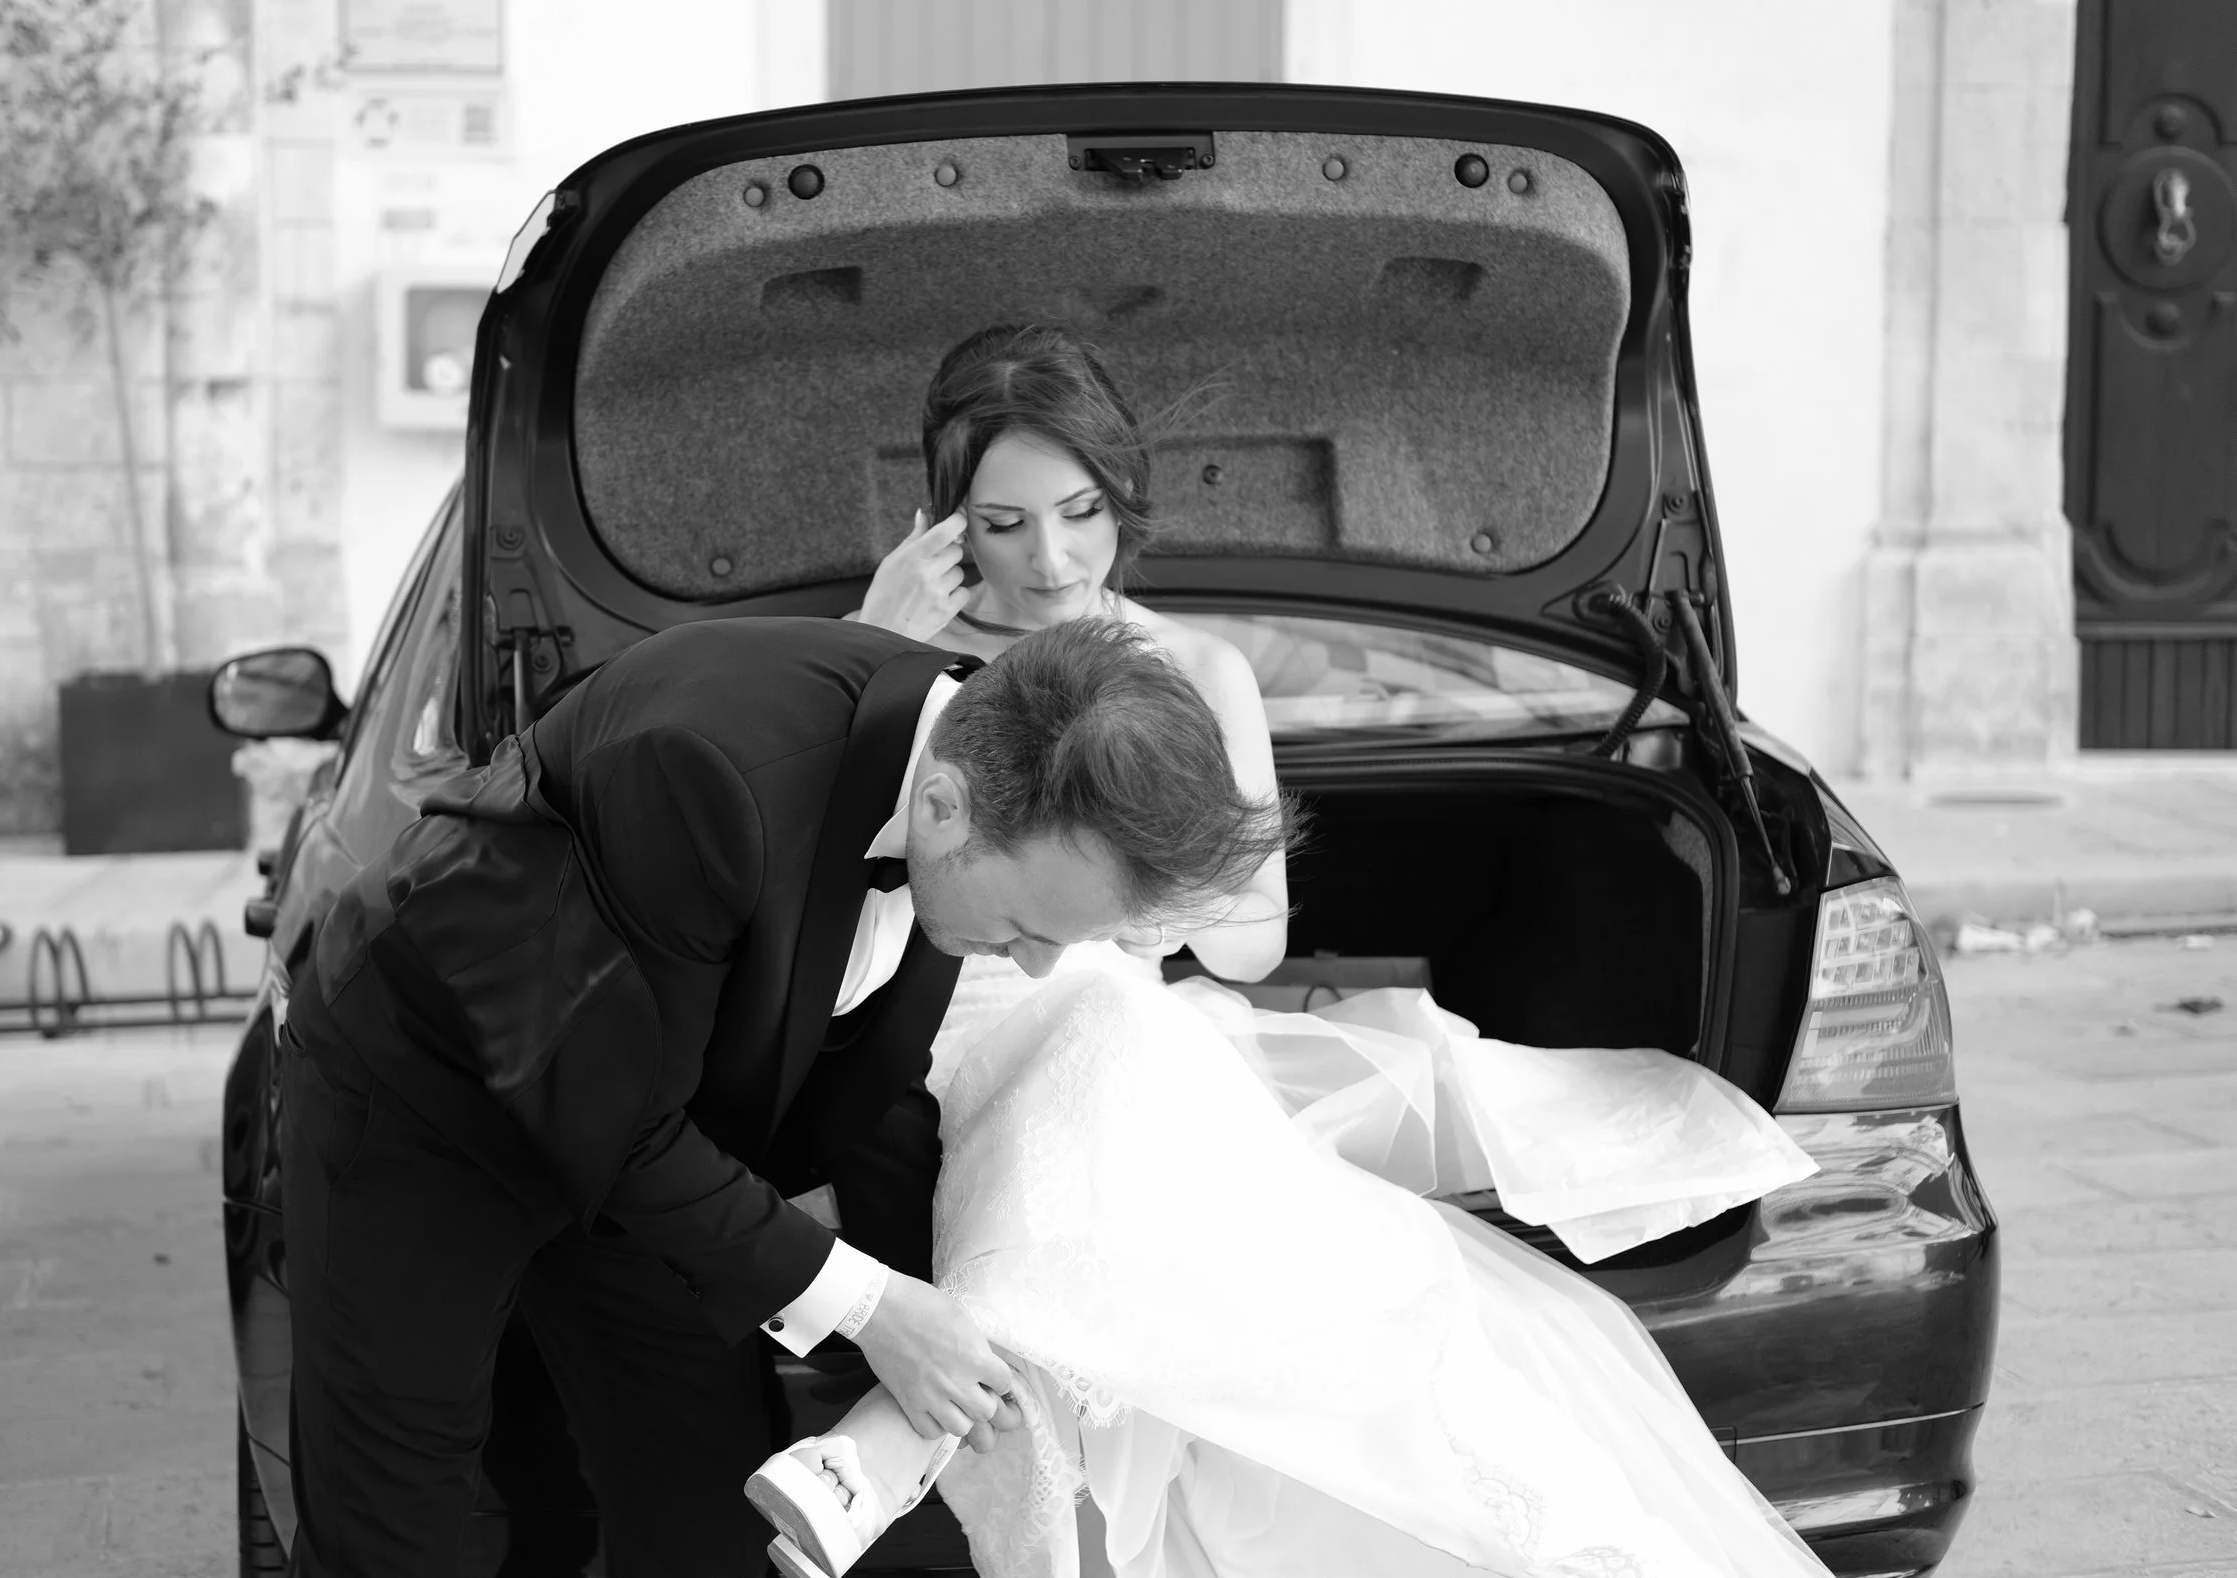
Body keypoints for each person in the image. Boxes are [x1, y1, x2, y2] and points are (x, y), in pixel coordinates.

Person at [745, 324, 1830, 1578]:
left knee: (1110, 1026)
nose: (1051, 559)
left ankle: (882, 1454)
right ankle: (887, 1452)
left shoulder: (1196, 669)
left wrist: (1131, 901)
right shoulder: (895, 650)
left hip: (1114, 1022)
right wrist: (871, 635)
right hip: (908, 1021)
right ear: (947, 521)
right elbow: (802, 860)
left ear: (1124, 494)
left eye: (1082, 512)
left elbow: (1253, 941)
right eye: (1003, 523)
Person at [277, 608, 1290, 1577]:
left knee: (708, 1500)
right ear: (941, 806)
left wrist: (956, 1308)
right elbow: (620, 1129)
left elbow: (870, 1088)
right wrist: (875, 1308)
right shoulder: (702, 771)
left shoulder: (972, 769)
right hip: (427, 1104)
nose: (1034, 965)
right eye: (1028, 928)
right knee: (394, 1521)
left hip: (647, 1138)